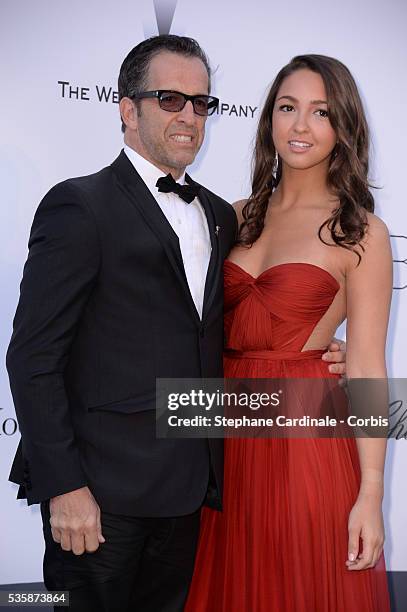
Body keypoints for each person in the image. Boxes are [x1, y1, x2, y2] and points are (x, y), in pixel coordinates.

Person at [6, 37, 346, 612]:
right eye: (169, 99)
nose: (188, 116)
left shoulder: (221, 215)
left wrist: (316, 353)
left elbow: (234, 325)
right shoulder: (79, 206)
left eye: (200, 103)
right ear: (126, 107)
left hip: (192, 494)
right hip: (98, 497)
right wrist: (64, 487)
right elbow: (32, 358)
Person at [185, 55, 391, 611]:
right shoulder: (232, 216)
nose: (300, 126)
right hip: (219, 439)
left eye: (321, 112)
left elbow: (369, 366)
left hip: (306, 442)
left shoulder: (362, 232)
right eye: (287, 107)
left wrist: (370, 492)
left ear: (344, 126)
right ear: (268, 119)